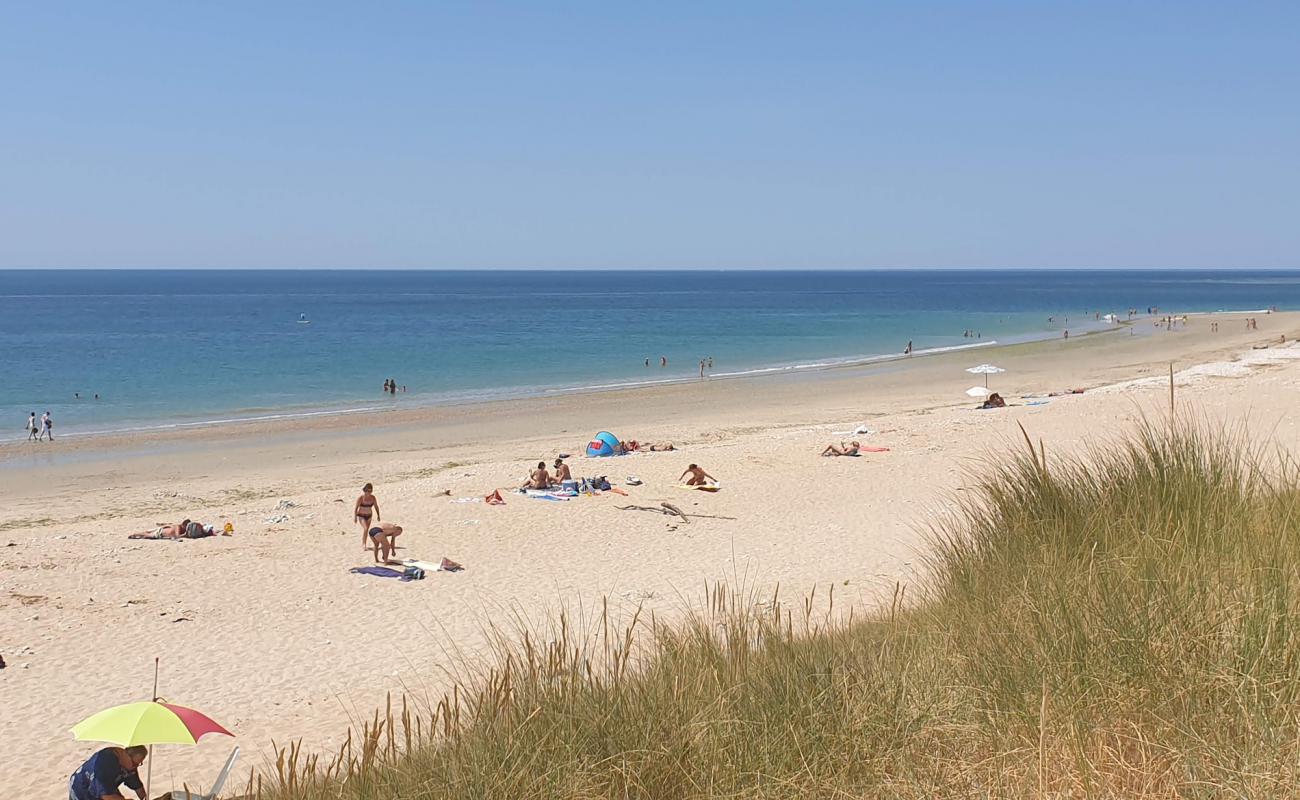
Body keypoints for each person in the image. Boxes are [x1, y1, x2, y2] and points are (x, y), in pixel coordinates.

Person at [69, 745, 148, 800]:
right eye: (135, 764)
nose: (135, 767)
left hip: (107, 788)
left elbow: (138, 786)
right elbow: (107, 796)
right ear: (125, 754)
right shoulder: (104, 764)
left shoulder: (129, 764)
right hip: (82, 790)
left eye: (139, 764)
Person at [355, 483, 380, 549]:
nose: (369, 492)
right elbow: (356, 508)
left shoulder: (373, 498)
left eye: (370, 491)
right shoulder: (361, 498)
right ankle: (364, 544)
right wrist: (355, 517)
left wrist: (378, 515)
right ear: (365, 490)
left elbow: (376, 506)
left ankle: (368, 542)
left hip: (369, 515)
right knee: (365, 528)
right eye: (368, 491)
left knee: (367, 530)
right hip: (361, 515)